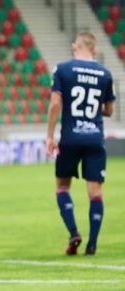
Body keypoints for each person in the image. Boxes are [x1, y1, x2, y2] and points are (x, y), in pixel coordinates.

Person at [46, 32, 115, 256]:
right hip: (95, 137)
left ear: (76, 46)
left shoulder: (63, 69)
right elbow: (109, 110)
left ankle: (74, 233)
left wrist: (50, 135)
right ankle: (92, 244)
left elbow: (56, 104)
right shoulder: (105, 74)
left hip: (71, 137)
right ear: (94, 49)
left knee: (62, 187)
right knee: (95, 193)